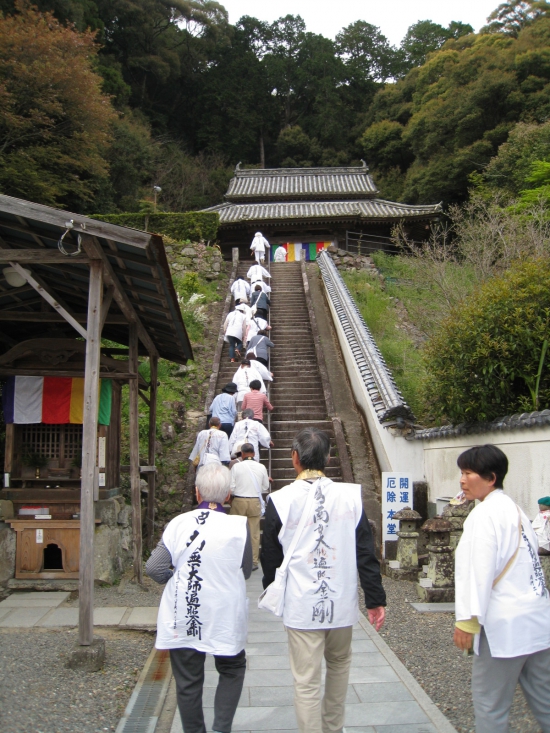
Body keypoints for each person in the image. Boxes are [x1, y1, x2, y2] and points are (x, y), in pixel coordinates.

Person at [260, 427, 386, 733]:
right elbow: (365, 553)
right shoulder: (351, 496)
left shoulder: (279, 500)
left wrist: (271, 589)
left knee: (306, 681)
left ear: (294, 459)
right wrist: (375, 599)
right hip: (340, 602)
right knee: (340, 667)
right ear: (328, 458)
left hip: (301, 605)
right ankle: (334, 728)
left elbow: (270, 556)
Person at [146, 463, 252, 733]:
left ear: (197, 493)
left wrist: (176, 579)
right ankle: (221, 728)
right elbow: (247, 570)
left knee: (188, 680)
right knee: (232, 667)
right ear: (228, 495)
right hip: (224, 611)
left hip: (184, 609)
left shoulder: (178, 524)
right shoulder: (238, 526)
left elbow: (155, 568)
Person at [453, 444, 550, 733]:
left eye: (468, 473)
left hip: (503, 626)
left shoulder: (483, 516)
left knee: (490, 705)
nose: (461, 480)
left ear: (491, 477)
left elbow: (477, 572)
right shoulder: (517, 510)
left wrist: (468, 622)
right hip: (537, 620)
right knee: (545, 700)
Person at [230, 442, 270, 570]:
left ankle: (237, 559)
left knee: (236, 531)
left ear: (242, 454)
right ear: (253, 453)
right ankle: (253, 561)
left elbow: (231, 487)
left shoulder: (236, 467)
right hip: (254, 501)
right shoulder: (261, 467)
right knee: (254, 533)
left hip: (239, 501)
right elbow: (265, 486)